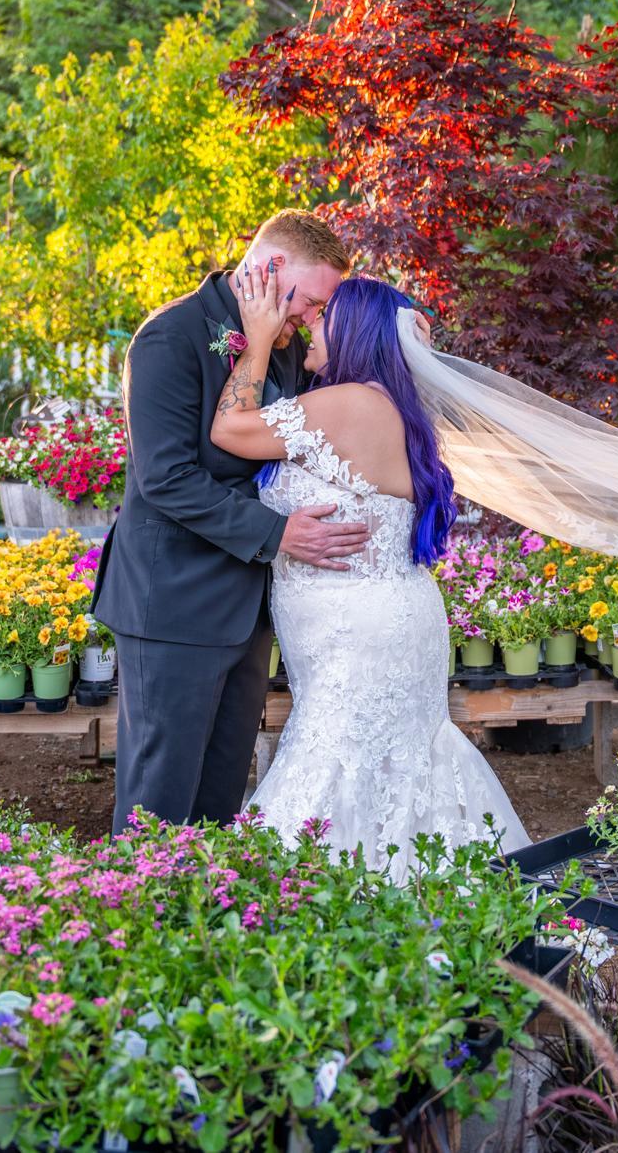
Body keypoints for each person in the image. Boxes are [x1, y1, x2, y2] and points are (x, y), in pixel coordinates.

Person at [211, 271, 523, 876]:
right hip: (385, 617)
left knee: (341, 760)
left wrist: (257, 341)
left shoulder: (350, 404)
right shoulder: (391, 405)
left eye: (323, 317)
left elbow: (229, 429)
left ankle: (319, 900)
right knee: (393, 761)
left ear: (356, 331)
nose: (309, 324)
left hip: (359, 633)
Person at [92, 209, 370, 831]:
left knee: (220, 801)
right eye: (311, 301)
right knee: (158, 802)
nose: (312, 317)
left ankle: (206, 897)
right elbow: (166, 478)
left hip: (249, 607)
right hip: (174, 604)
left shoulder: (287, 345)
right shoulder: (170, 337)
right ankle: (137, 897)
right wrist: (279, 533)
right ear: (272, 268)